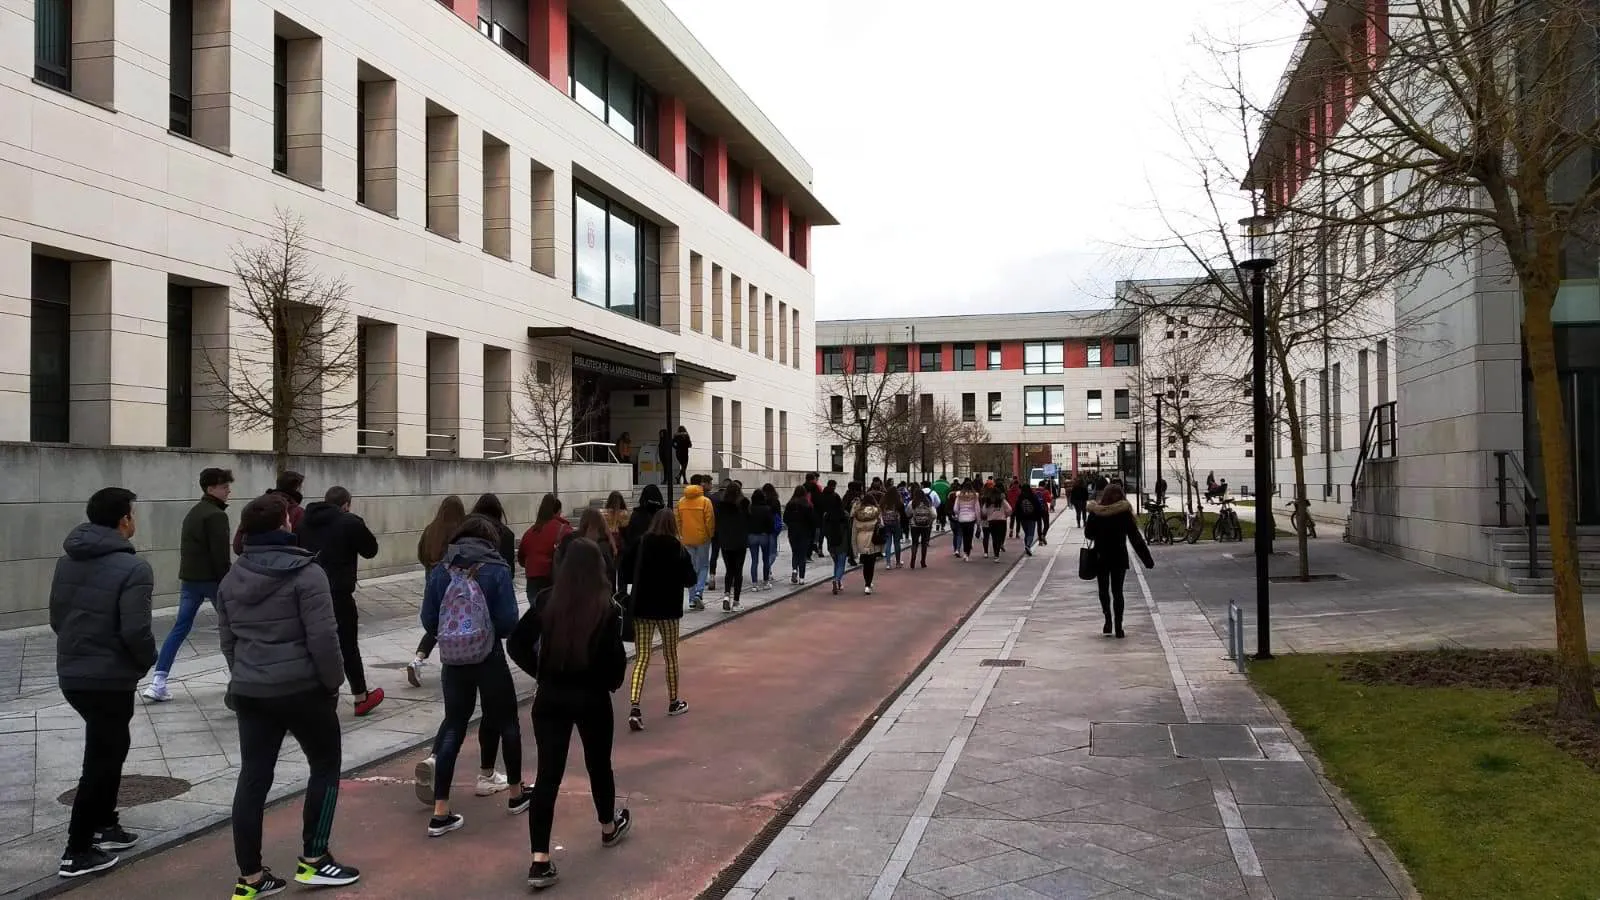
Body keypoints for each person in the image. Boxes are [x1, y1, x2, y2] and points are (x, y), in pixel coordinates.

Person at [221, 494, 359, 897]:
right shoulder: (308, 574)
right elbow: (324, 638)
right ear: (285, 524)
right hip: (302, 689)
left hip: (251, 689)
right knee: (325, 765)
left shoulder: (232, 578)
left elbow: (228, 641)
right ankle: (315, 858)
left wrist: (244, 674)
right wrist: (332, 682)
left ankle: (250, 877)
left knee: (253, 778)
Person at [505, 538, 632, 890]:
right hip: (591, 697)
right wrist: (605, 680)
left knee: (548, 776)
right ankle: (608, 825)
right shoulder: (606, 608)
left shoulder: (548, 600)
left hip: (551, 697)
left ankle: (540, 859)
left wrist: (541, 671)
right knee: (598, 764)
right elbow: (615, 670)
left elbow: (516, 643)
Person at [51, 487, 155, 879]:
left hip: (74, 672)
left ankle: (105, 824)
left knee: (112, 746)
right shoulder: (134, 568)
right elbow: (136, 630)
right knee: (101, 758)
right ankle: (77, 849)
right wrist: (147, 660)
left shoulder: (67, 561)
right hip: (108, 676)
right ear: (124, 519)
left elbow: (57, 617)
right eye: (132, 513)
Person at [415, 515, 524, 838]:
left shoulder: (441, 569)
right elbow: (509, 621)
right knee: (507, 722)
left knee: (453, 725)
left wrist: (453, 635)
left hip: (453, 660)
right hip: (488, 656)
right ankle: (516, 794)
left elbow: (428, 620)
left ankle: (440, 811)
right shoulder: (497, 568)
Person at [144, 467, 232, 703]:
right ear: (211, 488)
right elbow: (220, 556)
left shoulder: (194, 512)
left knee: (180, 628)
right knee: (232, 629)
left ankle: (158, 680)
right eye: (224, 487)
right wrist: (228, 582)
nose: (228, 491)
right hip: (213, 581)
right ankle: (240, 678)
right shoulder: (216, 515)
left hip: (191, 580)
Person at [297, 486, 384, 716]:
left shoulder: (304, 522)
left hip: (307, 593)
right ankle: (360, 696)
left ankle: (308, 696)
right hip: (338, 593)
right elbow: (370, 550)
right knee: (347, 645)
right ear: (346, 504)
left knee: (310, 644)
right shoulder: (349, 522)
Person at [620, 510, 697, 730]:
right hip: (669, 610)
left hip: (643, 608)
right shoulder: (678, 548)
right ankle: (673, 701)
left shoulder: (641, 543)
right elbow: (690, 579)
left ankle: (635, 707)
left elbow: (624, 568)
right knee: (670, 656)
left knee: (642, 657)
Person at [406, 495, 467, 687]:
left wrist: (431, 568)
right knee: (454, 623)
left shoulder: (430, 529)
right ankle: (455, 665)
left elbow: (421, 554)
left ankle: (417, 660)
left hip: (431, 579)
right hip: (451, 583)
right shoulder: (458, 532)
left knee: (437, 624)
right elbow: (456, 559)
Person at [1083, 483, 1155, 639]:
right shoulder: (1124, 513)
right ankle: (1119, 626)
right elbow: (1135, 538)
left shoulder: (1096, 512)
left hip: (1101, 556)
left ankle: (1107, 619)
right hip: (1119, 557)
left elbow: (1088, 534)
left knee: (1103, 590)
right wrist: (1147, 559)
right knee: (1118, 592)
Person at [232, 471, 306, 555]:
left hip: (249, 559)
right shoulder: (298, 512)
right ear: (297, 489)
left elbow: (238, 545)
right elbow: (302, 548)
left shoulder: (256, 507)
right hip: (284, 561)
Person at [518, 494, 571, 601]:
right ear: (558, 511)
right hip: (553, 581)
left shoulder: (530, 532)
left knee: (536, 609)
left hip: (532, 582)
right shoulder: (564, 530)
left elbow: (521, 559)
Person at [675, 477, 716, 611]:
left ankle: (692, 599)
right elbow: (710, 520)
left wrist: (681, 535)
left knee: (691, 567)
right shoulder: (705, 501)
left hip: (687, 538)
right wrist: (710, 534)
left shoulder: (681, 501)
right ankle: (699, 592)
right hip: (702, 538)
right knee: (703, 566)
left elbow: (678, 520)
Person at [714, 482, 751, 612]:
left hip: (725, 541)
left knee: (729, 570)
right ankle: (736, 601)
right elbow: (749, 520)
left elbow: (717, 522)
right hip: (740, 541)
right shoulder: (744, 503)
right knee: (738, 571)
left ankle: (726, 595)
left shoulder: (721, 505)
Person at [472, 493, 518, 577]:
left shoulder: (468, 529)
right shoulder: (507, 534)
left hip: (470, 579)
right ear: (498, 511)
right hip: (496, 579)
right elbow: (510, 570)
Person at [850, 491, 886, 594]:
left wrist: (854, 549)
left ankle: (867, 582)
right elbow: (881, 525)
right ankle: (868, 584)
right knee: (871, 562)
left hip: (860, 538)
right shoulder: (876, 511)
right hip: (872, 538)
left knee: (865, 563)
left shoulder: (857, 512)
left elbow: (854, 531)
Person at [819, 481, 851, 594]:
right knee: (841, 563)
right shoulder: (845, 515)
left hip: (831, 542)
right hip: (842, 542)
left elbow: (824, 530)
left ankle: (838, 582)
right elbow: (849, 529)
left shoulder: (826, 516)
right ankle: (836, 580)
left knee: (836, 563)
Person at [783, 485, 819, 583]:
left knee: (795, 552)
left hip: (793, 531)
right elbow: (812, 521)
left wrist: (791, 524)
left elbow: (785, 518)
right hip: (805, 532)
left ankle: (794, 570)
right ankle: (802, 578)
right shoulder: (807, 505)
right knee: (802, 555)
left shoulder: (790, 504)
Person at [746, 484, 776, 592]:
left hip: (752, 535)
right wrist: (770, 532)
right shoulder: (767, 509)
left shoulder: (749, 509)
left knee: (754, 560)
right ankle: (766, 582)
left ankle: (754, 584)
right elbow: (771, 524)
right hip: (764, 535)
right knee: (765, 559)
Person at [982, 486, 1013, 563]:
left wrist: (989, 514)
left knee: (994, 538)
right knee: (999, 537)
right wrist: (1006, 515)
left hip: (992, 521)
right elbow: (1009, 509)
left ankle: (996, 555)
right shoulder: (1002, 500)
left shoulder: (988, 501)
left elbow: (984, 511)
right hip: (1001, 521)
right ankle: (997, 553)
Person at [907, 486, 935, 569]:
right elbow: (933, 515)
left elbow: (908, 513)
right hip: (925, 526)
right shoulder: (927, 503)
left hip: (914, 525)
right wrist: (929, 521)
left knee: (914, 543)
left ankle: (913, 560)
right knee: (924, 543)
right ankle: (923, 561)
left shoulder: (912, 503)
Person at [952, 480, 982, 560]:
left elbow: (955, 508)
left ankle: (965, 552)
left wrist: (958, 514)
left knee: (964, 535)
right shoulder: (975, 496)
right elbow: (977, 509)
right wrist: (978, 521)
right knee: (969, 536)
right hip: (971, 518)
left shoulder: (959, 496)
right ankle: (967, 553)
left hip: (962, 518)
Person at [1013, 482, 1043, 557]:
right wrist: (1039, 516)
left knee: (1026, 533)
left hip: (1023, 518)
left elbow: (1017, 508)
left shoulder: (1020, 497)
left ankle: (1027, 546)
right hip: (1032, 517)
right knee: (1031, 533)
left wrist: (1018, 517)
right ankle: (1028, 545)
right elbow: (1038, 506)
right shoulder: (1033, 496)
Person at [601, 491, 629, 558]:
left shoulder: (604, 513)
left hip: (608, 541)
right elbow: (626, 528)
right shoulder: (624, 513)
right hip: (620, 542)